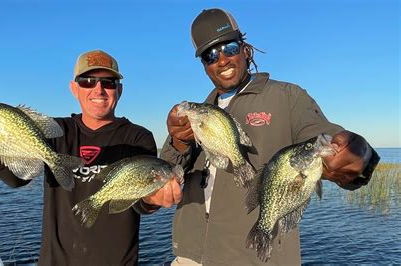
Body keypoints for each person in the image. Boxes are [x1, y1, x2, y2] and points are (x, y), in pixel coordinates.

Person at [161, 8, 380, 265]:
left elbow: (327, 136)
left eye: (229, 48)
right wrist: (178, 141)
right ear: (204, 65)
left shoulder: (288, 97)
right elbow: (166, 171)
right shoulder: (198, 114)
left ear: (245, 49)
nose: (222, 60)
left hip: (258, 259)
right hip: (189, 256)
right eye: (210, 55)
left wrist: (360, 156)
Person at [0, 50, 181, 265]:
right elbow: (18, 179)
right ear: (74, 88)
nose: (98, 89)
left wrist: (152, 198)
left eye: (108, 82)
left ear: (119, 89)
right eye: (88, 81)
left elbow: (138, 202)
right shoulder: (56, 131)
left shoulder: (138, 137)